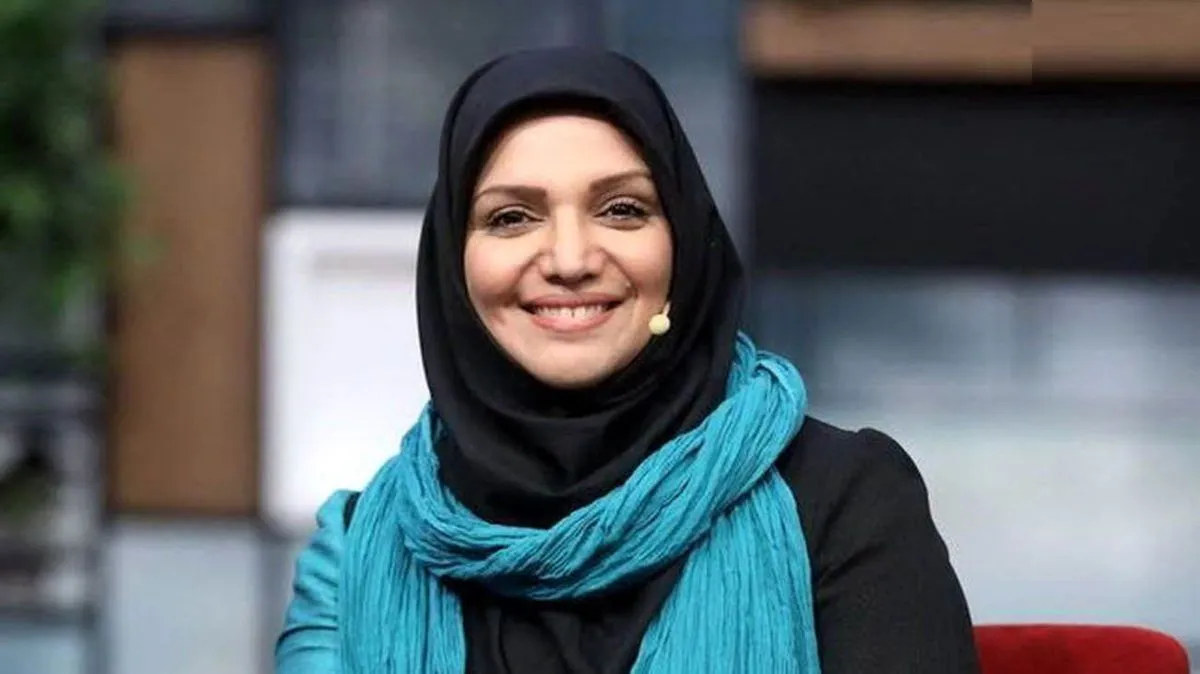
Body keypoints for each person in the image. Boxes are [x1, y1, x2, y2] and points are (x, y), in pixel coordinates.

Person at [275, 47, 980, 674]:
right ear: (453, 266)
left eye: (621, 209)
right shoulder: (356, 550)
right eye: (511, 217)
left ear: (683, 242)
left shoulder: (842, 501)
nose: (570, 260)